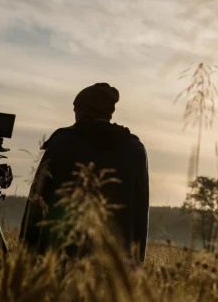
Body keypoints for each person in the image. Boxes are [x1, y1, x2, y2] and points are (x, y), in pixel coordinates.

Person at [19, 83, 149, 262]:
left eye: (75, 110)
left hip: (59, 256)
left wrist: (26, 254)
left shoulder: (61, 142)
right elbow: (140, 214)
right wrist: (135, 265)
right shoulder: (135, 149)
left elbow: (37, 202)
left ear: (81, 111)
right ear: (108, 114)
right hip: (114, 262)